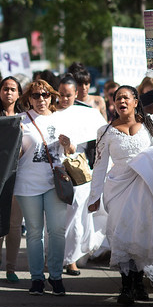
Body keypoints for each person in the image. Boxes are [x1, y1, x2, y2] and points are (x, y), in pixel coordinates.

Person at [87, 85, 153, 306]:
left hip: (148, 188)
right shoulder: (105, 131)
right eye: (117, 98)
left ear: (135, 101)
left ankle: (138, 283)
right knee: (123, 234)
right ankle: (126, 285)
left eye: (126, 97)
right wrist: (94, 197)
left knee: (142, 234)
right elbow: (100, 166)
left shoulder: (151, 126)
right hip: (119, 188)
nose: (121, 101)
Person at [14, 80, 70, 296]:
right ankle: (37, 278)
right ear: (28, 98)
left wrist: (67, 144)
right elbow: (16, 156)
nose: (41, 100)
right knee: (35, 233)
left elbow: (71, 150)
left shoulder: (60, 119)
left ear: (51, 97)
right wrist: (16, 138)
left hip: (55, 182)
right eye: (36, 95)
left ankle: (56, 276)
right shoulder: (22, 121)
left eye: (45, 95)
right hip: (28, 183)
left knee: (57, 231)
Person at [54, 76, 107, 277]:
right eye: (61, 95)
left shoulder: (87, 114)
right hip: (53, 169)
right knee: (55, 216)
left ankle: (72, 259)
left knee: (76, 215)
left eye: (69, 95)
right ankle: (55, 256)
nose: (64, 99)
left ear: (76, 94)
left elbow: (101, 139)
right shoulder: (50, 113)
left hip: (78, 170)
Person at [0, 76, 24, 283]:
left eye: (12, 89)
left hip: (19, 177)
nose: (8, 92)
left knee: (14, 225)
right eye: (5, 89)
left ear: (18, 93)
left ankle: (11, 268)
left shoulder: (26, 117)